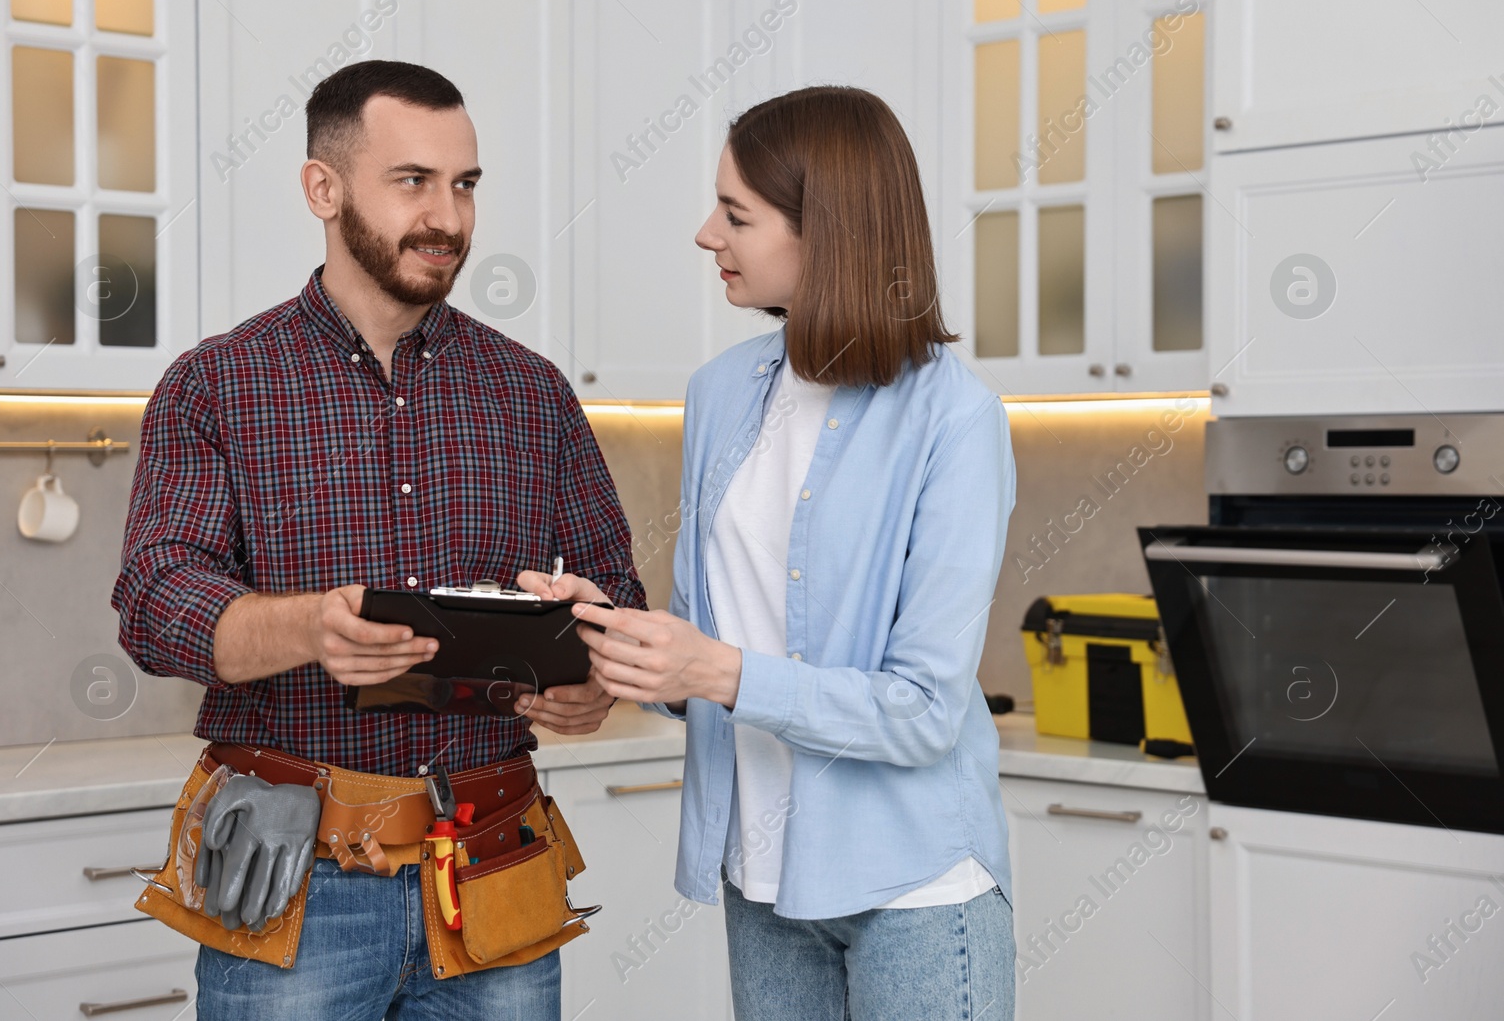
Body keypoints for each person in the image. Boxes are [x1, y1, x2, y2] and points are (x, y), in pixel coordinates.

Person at [112, 60, 641, 1020]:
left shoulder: (534, 392)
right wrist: (312, 627)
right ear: (324, 188)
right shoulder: (217, 385)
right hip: (294, 885)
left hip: (492, 871)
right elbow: (155, 604)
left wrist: (595, 669)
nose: (448, 217)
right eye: (413, 182)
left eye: (465, 184)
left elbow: (618, 595)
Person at [566, 86, 1019, 1021]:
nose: (705, 233)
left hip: (915, 886)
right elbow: (703, 651)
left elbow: (926, 712)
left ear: (828, 232)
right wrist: (611, 635)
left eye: (736, 213)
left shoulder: (954, 418)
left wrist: (720, 669)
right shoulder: (721, 393)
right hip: (760, 875)